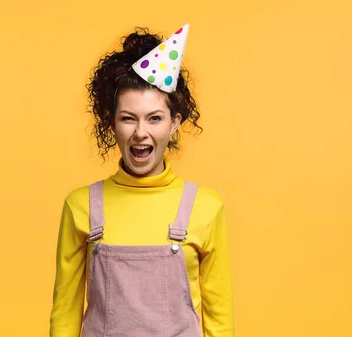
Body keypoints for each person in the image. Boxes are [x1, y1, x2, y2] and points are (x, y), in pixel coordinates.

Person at [49, 24, 235, 337]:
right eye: (128, 118)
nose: (140, 133)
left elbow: (220, 321)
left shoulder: (206, 207)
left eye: (154, 118)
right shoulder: (80, 205)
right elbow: (65, 315)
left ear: (175, 122)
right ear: (112, 122)